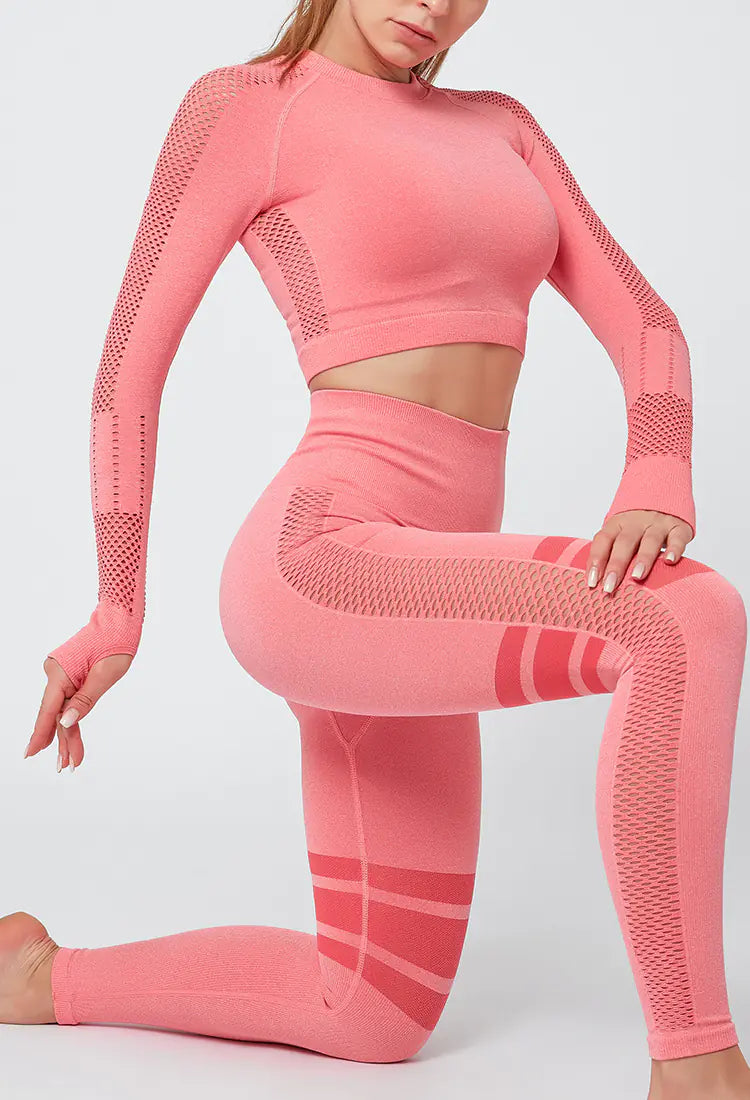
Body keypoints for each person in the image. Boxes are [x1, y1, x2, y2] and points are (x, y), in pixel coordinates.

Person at [3, 0, 747, 1095]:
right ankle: (698, 1066)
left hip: (430, 597)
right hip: (322, 565)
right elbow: (128, 369)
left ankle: (41, 977)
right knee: (685, 617)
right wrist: (119, 607)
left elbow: (648, 324)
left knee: (372, 1010)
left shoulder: (503, 125)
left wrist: (657, 470)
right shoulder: (250, 105)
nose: (436, 2)